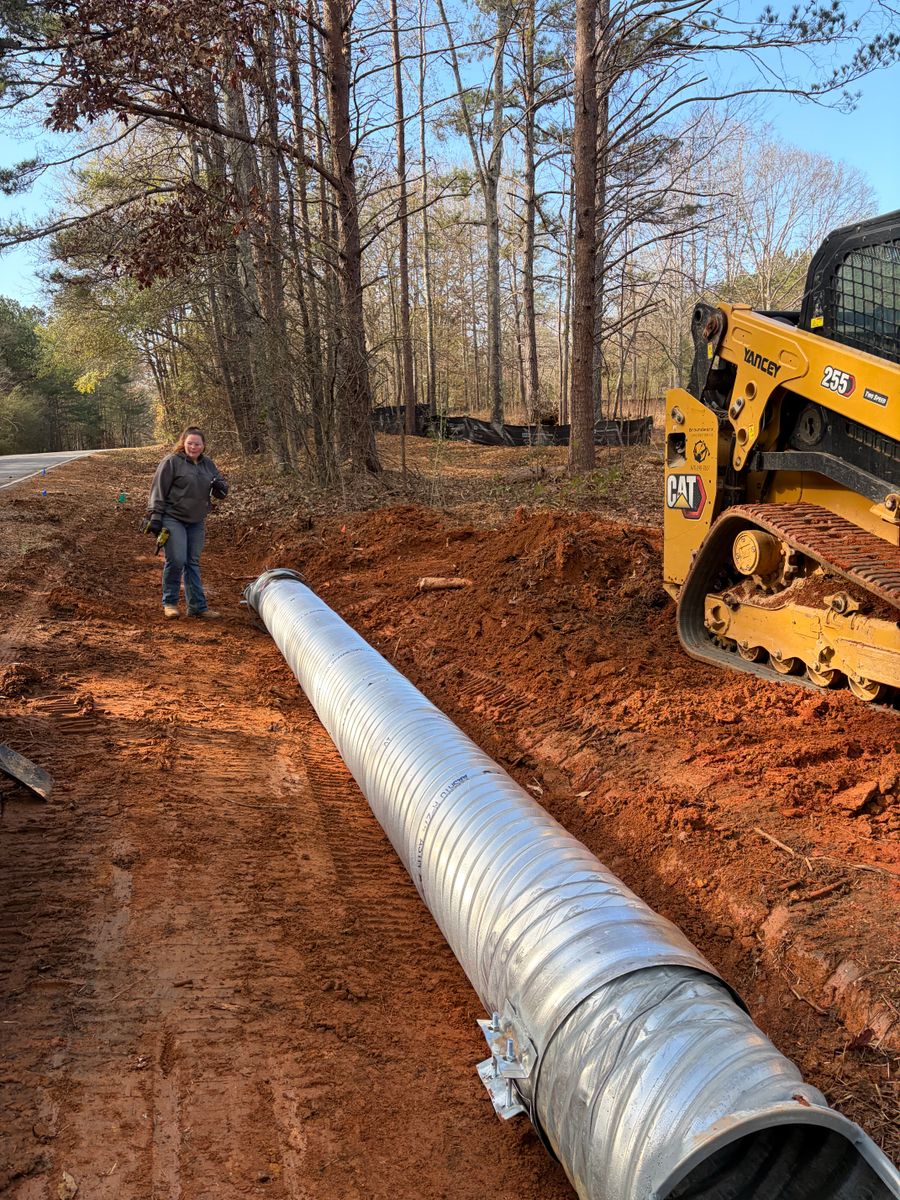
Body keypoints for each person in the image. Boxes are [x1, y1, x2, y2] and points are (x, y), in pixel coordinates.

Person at [145, 426, 229, 620]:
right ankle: (170, 603)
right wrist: (155, 516)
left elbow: (221, 490)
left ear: (203, 445)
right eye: (189, 443)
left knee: (192, 561)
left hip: (196, 520)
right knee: (176, 559)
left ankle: (197, 607)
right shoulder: (171, 462)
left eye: (197, 444)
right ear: (183, 443)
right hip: (172, 517)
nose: (193, 447)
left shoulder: (208, 464)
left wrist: (221, 488)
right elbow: (158, 490)